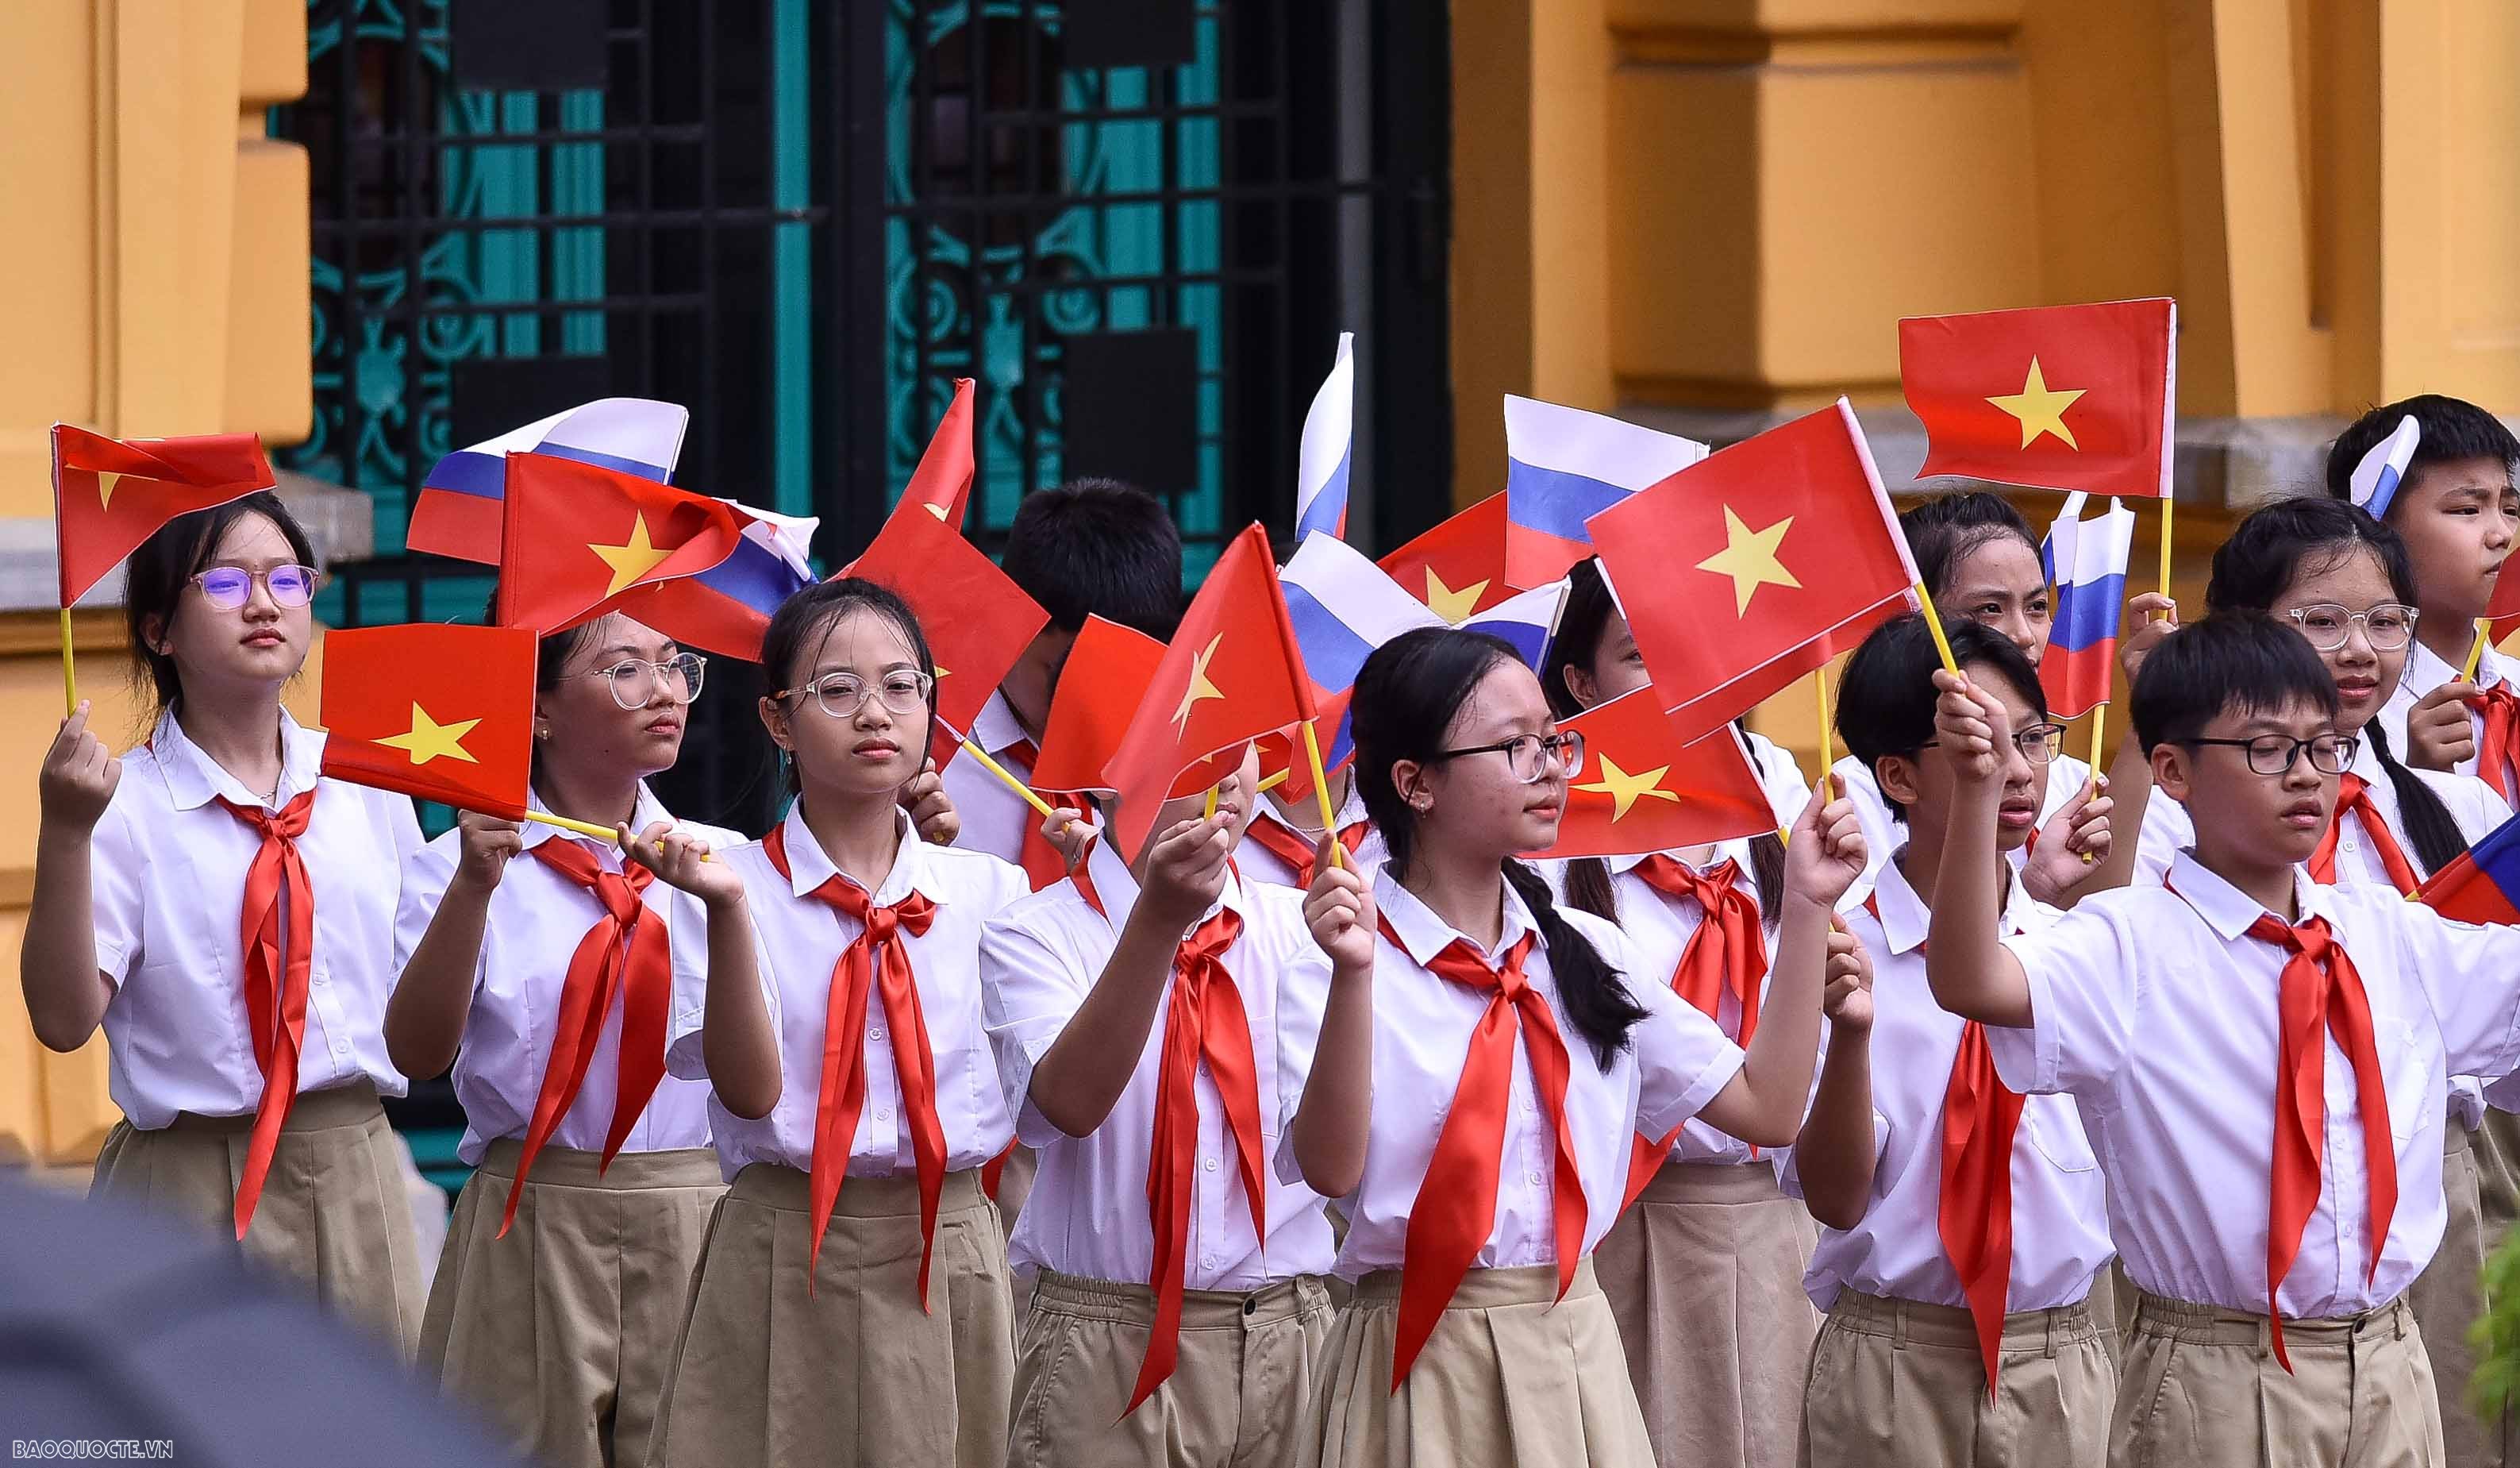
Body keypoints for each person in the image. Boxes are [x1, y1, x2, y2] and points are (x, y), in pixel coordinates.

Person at [1926, 611, 2520, 1466]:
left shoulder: (2390, 933)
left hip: (2391, 1358)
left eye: (2324, 748)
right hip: (2217, 1372)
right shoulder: (2127, 940)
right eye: (2268, 749)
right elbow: (1970, 980)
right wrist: (1977, 796)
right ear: (2171, 768)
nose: (2306, 776)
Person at [1282, 626, 1868, 1467]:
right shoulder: (1343, 959)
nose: (1552, 764)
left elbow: (1768, 1107)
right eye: (1514, 745)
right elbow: (1331, 1168)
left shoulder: (1585, 952)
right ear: (1413, 782)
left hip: (1576, 1339)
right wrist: (1350, 976)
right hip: (1416, 1348)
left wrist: (1807, 905)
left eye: (1554, 739)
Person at [23, 493, 426, 1350]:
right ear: (159, 629)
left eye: (288, 577)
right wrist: (64, 829)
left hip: (353, 1165)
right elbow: (61, 1020)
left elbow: (425, 1000)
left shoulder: (366, 777)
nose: (264, 601)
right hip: (183, 1188)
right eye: (226, 581)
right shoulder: (117, 802)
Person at [641, 578, 1025, 1468]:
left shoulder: (990, 894)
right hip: (784, 1242)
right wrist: (731, 909)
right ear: (778, 721)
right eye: (837, 690)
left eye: (901, 686)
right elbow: (749, 1087)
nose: (875, 714)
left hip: (948, 1242)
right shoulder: (721, 879)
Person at [387, 610, 733, 1468]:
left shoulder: (725, 867)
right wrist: (473, 886)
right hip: (530, 1213)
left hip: (700, 1212)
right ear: (535, 708)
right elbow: (417, 1052)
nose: (664, 691)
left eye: (674, 663)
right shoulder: (456, 864)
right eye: (624, 668)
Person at [1791, 615, 2115, 1466]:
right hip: (1896, 1362)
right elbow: (1833, 1197)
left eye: (2033, 738)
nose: (2014, 770)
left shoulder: (2072, 947)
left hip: (2062, 1354)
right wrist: (1851, 1041)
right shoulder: (1833, 952)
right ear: (1895, 774)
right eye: (1977, 744)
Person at [979, 741, 1337, 1465]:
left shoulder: (1301, 926)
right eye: (1198, 745)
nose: (1229, 776)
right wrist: (1158, 921)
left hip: (1290, 1328)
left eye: (1243, 748)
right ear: (1112, 768)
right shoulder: (1033, 930)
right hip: (1110, 1335)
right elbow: (1069, 1105)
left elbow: (1337, 1154)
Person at [1538, 556, 1817, 1468]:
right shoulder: (1553, 828)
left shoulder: (1775, 787)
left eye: (1690, 653)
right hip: (1635, 1223)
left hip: (1786, 1221)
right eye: (1637, 658)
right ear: (1580, 684)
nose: (1677, 684)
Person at [1832, 491, 2161, 904]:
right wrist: (2035, 889)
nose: (2025, 636)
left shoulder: (2064, 777)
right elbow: (1889, 950)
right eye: (1989, 608)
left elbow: (2102, 932)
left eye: (2038, 606)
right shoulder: (1859, 791)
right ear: (1916, 618)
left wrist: (2149, 711)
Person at [945, 476, 1184, 886]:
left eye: (1121, 673)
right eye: (1065, 672)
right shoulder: (932, 751)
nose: (1085, 698)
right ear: (1010, 622)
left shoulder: (1184, 765)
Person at [2322, 396, 2520, 795]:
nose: (2502, 534)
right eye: (2467, 509)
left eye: (2510, 508)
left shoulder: (2512, 689)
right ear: (2379, 530)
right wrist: (2421, 783)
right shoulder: (2347, 711)